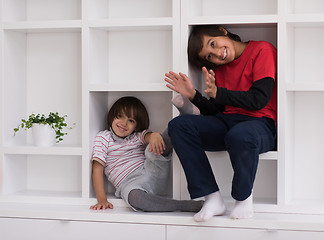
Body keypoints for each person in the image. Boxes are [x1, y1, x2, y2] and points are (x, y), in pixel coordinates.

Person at [164, 25, 277, 222]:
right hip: (229, 123)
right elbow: (218, 113)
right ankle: (212, 198)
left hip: (261, 124)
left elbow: (260, 99)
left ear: (223, 31)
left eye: (213, 44)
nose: (217, 54)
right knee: (178, 126)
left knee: (240, 135)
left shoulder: (262, 50)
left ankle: (243, 198)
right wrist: (193, 96)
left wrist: (218, 93)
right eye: (210, 56)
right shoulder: (219, 70)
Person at [90, 96, 203, 212]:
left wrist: (153, 135)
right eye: (120, 116)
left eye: (131, 120)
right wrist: (101, 199)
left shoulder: (135, 136)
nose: (124, 123)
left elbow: (146, 136)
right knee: (135, 198)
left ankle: (185, 118)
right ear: (112, 116)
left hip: (152, 170)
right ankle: (184, 206)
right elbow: (97, 168)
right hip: (131, 184)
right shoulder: (103, 137)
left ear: (136, 126)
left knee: (155, 145)